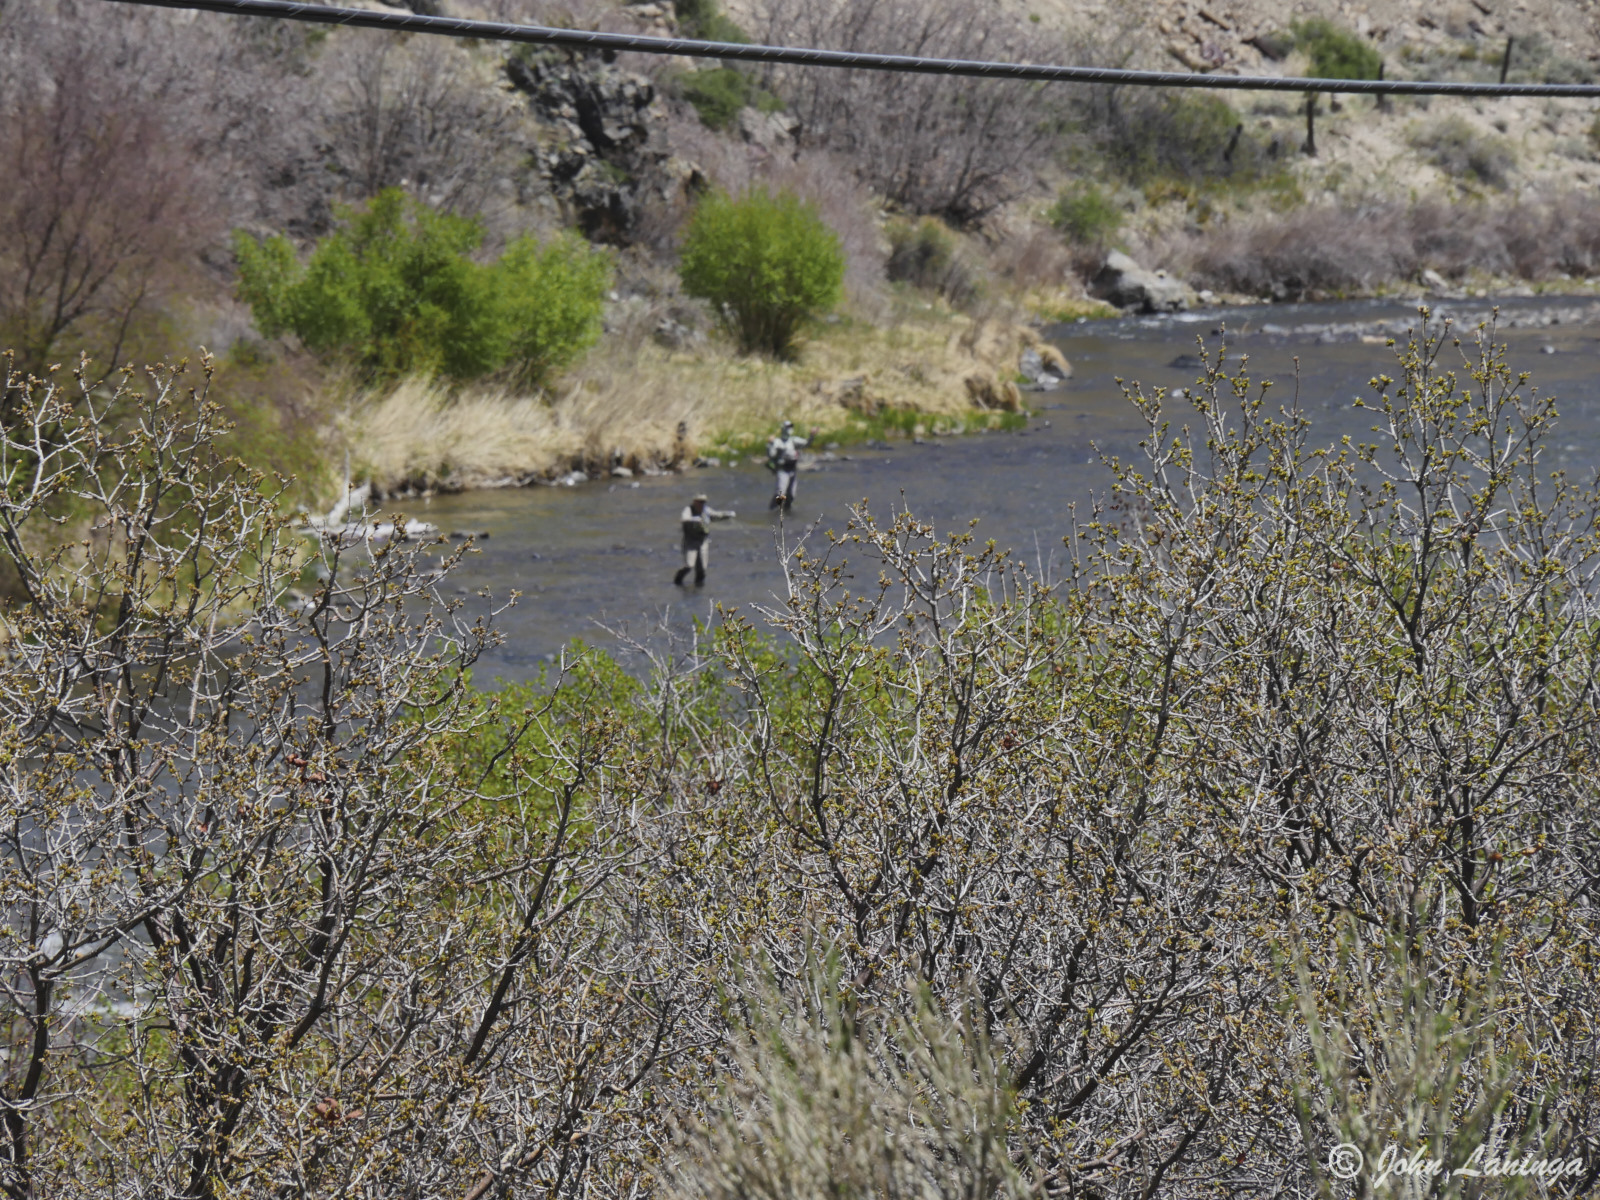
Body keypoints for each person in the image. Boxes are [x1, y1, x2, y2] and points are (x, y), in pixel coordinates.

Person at [675, 493, 734, 586]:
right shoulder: (688, 509)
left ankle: (698, 589)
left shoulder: (706, 510)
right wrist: (693, 519)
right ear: (694, 502)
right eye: (700, 502)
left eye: (703, 502)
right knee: (689, 566)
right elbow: (683, 519)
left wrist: (728, 514)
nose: (702, 504)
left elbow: (717, 515)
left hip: (703, 542)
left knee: (702, 568)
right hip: (690, 542)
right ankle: (677, 581)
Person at [765, 419, 816, 511]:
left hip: (792, 470)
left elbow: (806, 443)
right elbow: (771, 455)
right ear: (783, 428)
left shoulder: (794, 440)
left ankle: (786, 512)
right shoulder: (777, 442)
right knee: (780, 493)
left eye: (791, 427)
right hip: (782, 470)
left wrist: (812, 435)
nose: (790, 429)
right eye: (788, 427)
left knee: (791, 495)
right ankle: (772, 509)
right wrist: (770, 443)